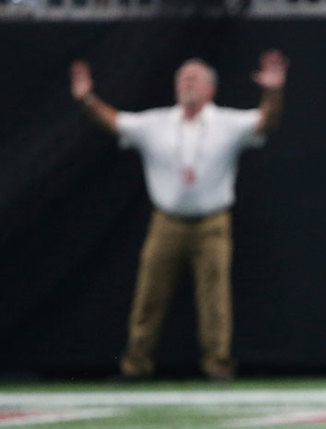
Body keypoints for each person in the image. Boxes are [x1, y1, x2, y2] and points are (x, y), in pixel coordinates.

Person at [70, 52, 288, 381]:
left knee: (215, 298)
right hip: (167, 221)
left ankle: (218, 366)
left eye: (195, 77)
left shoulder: (226, 123)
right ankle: (136, 365)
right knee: (149, 294)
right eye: (182, 78)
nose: (187, 82)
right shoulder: (155, 123)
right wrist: (87, 99)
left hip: (213, 222)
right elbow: (115, 122)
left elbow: (266, 123)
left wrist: (273, 91)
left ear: (210, 89)